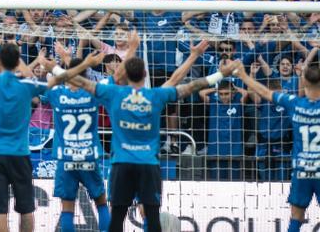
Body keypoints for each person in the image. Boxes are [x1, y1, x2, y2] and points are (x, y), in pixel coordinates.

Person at [69, 55, 239, 232]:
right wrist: (216, 70)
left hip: (122, 163)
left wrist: (70, 65)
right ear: (145, 73)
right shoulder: (155, 96)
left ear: (125, 74)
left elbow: (83, 84)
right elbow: (188, 84)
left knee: (117, 216)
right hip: (148, 164)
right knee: (152, 216)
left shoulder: (114, 94)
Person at [0, 45, 102, 232]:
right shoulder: (28, 86)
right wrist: (84, 63)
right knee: (26, 209)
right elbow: (60, 78)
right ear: (17, 62)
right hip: (20, 155)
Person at [233, 53, 320, 232]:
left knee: (296, 217)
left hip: (302, 169)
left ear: (303, 81)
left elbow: (265, 92)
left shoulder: (294, 103)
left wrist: (243, 75)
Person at [47, 57, 112, 232]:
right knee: (101, 202)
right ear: (86, 74)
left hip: (66, 157)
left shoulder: (57, 93)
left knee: (67, 208)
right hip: (89, 156)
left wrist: (55, 64)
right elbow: (112, 78)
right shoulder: (93, 92)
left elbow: (49, 77)